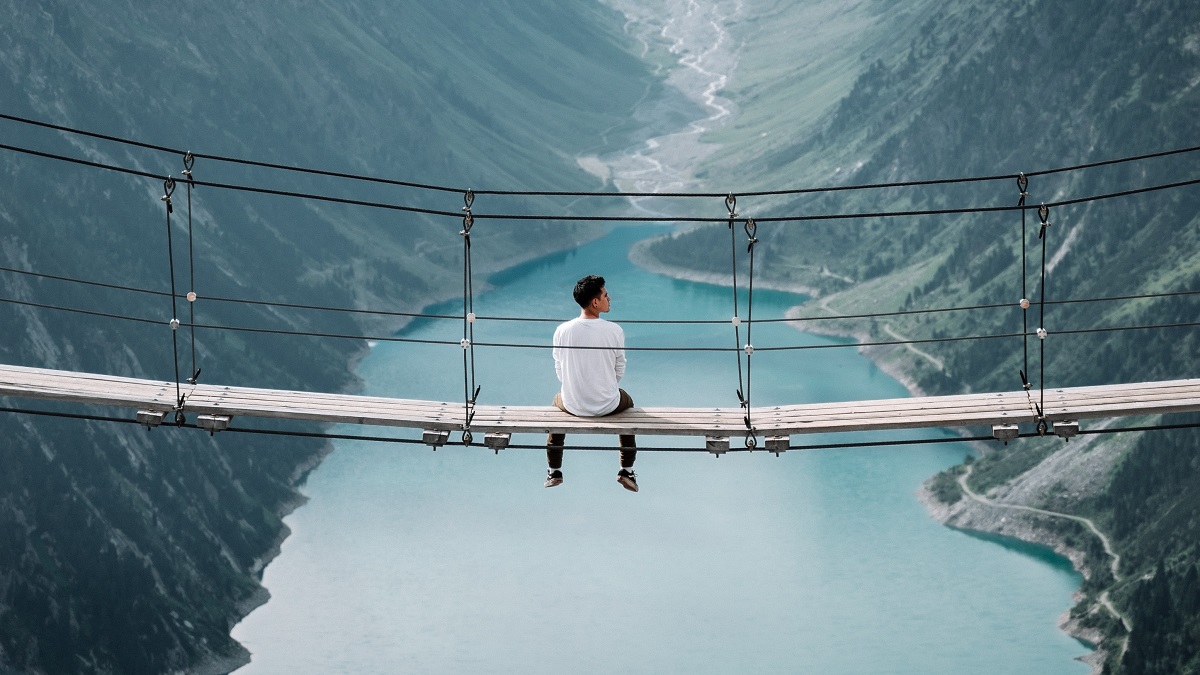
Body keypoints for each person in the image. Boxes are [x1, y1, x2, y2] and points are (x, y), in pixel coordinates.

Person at [545, 275, 638, 492]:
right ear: (595, 302)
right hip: (608, 404)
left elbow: (559, 368)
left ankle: (554, 471)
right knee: (629, 403)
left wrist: (577, 387)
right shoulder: (614, 330)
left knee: (555, 406)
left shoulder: (562, 330)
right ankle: (627, 470)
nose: (609, 298)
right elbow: (620, 368)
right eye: (605, 295)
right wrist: (605, 387)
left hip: (572, 405)